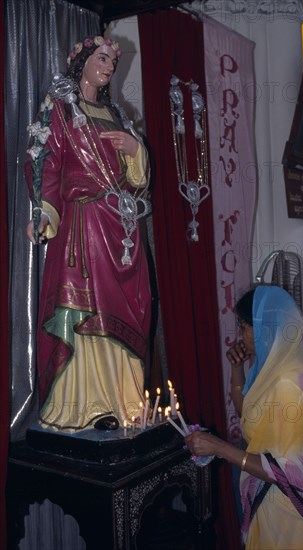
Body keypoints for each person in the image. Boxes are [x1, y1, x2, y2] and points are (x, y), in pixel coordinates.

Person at [25, 36, 151, 432]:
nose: (110, 66)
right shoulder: (61, 112)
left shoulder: (118, 116)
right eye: (103, 58)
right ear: (81, 62)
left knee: (124, 308)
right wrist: (43, 212)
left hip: (121, 231)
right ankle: (80, 406)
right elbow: (48, 166)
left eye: (114, 61)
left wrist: (136, 149)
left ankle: (122, 399)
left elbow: (137, 183)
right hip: (84, 227)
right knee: (84, 314)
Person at [185, 285, 303, 549]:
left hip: (293, 512)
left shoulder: (289, 383)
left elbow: (283, 471)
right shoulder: (275, 367)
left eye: (243, 326)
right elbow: (248, 415)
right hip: (272, 497)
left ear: (266, 326)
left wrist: (218, 447)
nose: (239, 335)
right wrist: (237, 370)